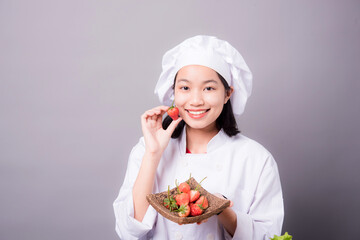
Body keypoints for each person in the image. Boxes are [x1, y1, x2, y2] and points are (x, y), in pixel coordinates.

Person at [113, 35, 284, 240]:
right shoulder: (146, 149)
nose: (195, 100)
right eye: (185, 87)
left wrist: (222, 209)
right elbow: (128, 231)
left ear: (228, 94)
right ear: (173, 92)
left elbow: (269, 236)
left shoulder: (256, 159)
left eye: (209, 88)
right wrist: (153, 154)